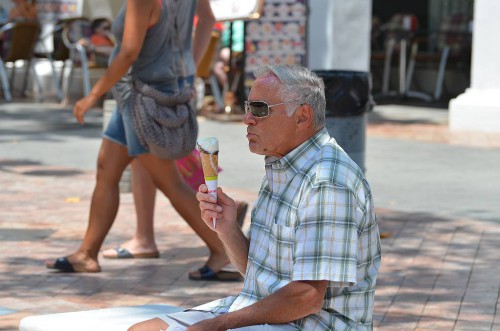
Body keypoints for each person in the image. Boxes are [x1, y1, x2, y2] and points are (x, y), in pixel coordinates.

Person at [128, 64, 382, 330]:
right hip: (268, 310)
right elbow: (260, 275)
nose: (247, 119)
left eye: (260, 109)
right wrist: (227, 229)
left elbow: (307, 297)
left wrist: (218, 325)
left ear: (302, 116)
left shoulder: (327, 181)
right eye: (247, 107)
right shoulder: (283, 164)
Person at [45, 0, 241, 281]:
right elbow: (207, 21)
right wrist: (189, 71)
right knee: (106, 170)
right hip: (142, 95)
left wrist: (92, 95)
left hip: (144, 98)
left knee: (169, 181)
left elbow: (127, 53)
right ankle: (87, 254)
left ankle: (225, 250)